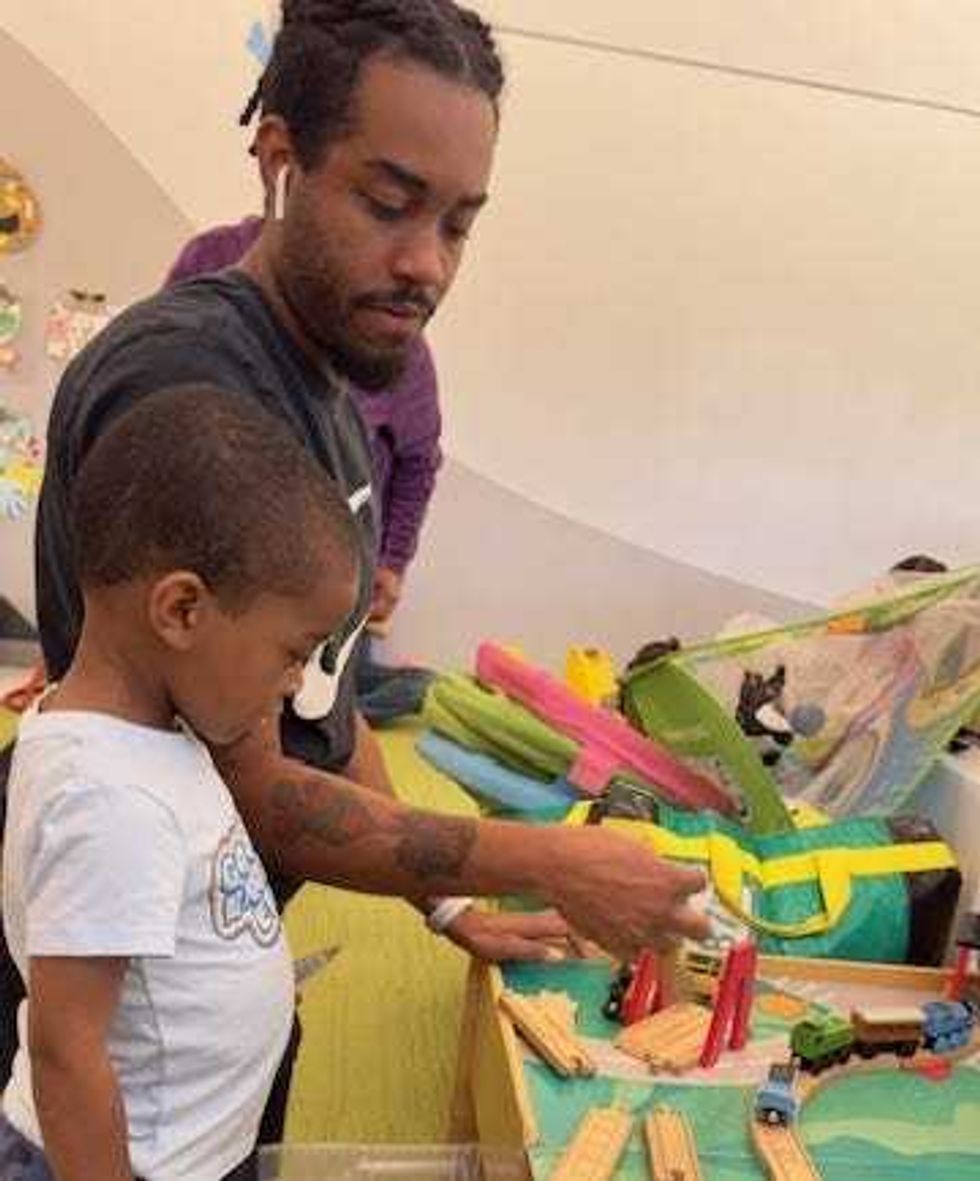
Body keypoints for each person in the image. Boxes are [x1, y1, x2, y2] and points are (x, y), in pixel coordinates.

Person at [24, 0, 711, 1146]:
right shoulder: (191, 393)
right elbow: (257, 786)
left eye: (458, 223)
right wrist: (540, 860)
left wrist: (443, 899)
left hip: (213, 1021)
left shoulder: (335, 398)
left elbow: (322, 717)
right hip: (118, 1065)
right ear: (280, 157)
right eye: (389, 205)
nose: (425, 263)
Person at [1, 387, 362, 1181]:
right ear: (182, 609)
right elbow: (67, 1051)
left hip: (185, 1150)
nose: (299, 683)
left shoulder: (152, 732)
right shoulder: (113, 798)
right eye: (293, 651)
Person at [166, 222, 440, 723]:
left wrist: (391, 561)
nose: (428, 264)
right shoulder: (211, 267)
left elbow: (418, 460)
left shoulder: (394, 343)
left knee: (321, 717)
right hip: (219, 577)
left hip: (333, 589)